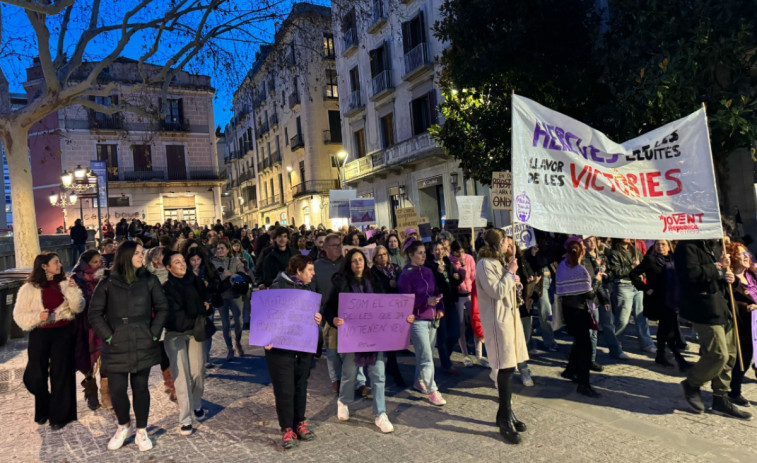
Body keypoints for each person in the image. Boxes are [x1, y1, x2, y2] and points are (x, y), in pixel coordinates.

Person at [88, 241, 170, 451]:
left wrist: (153, 334)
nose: (141, 256)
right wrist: (108, 336)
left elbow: (162, 307)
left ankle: (141, 430)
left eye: (142, 253)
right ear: (125, 256)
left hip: (143, 340)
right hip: (116, 343)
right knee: (117, 390)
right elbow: (94, 313)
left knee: (140, 388)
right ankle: (123, 425)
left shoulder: (149, 280)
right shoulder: (107, 282)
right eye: (137, 253)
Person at [326, 249, 415, 433]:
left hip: (374, 336)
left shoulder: (374, 281)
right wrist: (334, 319)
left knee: (378, 375)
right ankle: (343, 401)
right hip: (352, 336)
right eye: (354, 261)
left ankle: (380, 413)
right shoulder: (341, 283)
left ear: (365, 262)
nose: (358, 263)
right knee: (349, 373)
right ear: (349, 265)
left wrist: (403, 317)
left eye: (360, 260)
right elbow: (329, 308)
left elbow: (387, 305)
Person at [675, 239, 751, 419]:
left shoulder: (714, 247)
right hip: (704, 309)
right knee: (718, 354)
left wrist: (730, 279)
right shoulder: (687, 246)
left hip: (724, 307)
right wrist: (718, 267)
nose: (724, 238)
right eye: (722, 233)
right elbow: (690, 274)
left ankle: (720, 399)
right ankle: (691, 384)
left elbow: (721, 278)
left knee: (731, 355)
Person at [13, 252, 85, 430]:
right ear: (44, 266)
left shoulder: (64, 283)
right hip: (40, 333)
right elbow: (18, 315)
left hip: (62, 332)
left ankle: (61, 415)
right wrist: (39, 315)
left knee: (62, 373)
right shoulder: (29, 289)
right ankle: (44, 405)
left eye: (59, 262)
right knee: (35, 375)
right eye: (56, 262)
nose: (60, 265)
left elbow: (78, 307)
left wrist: (74, 290)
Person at [475, 229, 528, 444]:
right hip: (499, 322)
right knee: (505, 368)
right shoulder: (485, 264)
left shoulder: (499, 262)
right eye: (505, 241)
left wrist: (514, 278)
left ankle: (505, 413)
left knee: (511, 366)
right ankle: (505, 418)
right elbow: (496, 291)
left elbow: (508, 287)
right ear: (497, 243)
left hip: (510, 318)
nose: (508, 244)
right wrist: (509, 274)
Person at [263, 255, 320, 448]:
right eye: (310, 270)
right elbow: (266, 315)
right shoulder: (278, 287)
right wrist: (265, 337)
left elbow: (311, 314)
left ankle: (300, 422)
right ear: (299, 272)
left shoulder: (309, 287)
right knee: (284, 387)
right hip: (280, 347)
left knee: (300, 384)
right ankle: (287, 428)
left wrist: (317, 319)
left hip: (303, 345)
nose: (313, 274)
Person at [162, 251, 212, 436]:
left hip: (194, 332)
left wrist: (207, 305)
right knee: (181, 376)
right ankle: (185, 418)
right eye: (177, 262)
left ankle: (196, 401)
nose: (182, 264)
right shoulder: (166, 288)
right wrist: (200, 308)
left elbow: (208, 301)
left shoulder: (196, 282)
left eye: (183, 261)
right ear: (168, 267)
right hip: (175, 334)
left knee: (198, 371)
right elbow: (175, 315)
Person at [398, 239, 447, 406]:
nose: (423, 255)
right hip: (417, 320)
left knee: (425, 354)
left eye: (424, 252)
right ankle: (432, 389)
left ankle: (419, 380)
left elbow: (436, 291)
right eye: (420, 253)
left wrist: (439, 306)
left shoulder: (427, 271)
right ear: (410, 255)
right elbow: (405, 302)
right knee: (426, 356)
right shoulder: (405, 276)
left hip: (432, 318)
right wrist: (426, 302)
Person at [630, 240, 690, 371]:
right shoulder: (651, 260)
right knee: (667, 329)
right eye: (658, 244)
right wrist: (645, 288)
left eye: (663, 244)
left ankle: (662, 355)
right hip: (658, 299)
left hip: (673, 298)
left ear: (669, 246)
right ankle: (674, 357)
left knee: (666, 328)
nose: (660, 247)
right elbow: (633, 274)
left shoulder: (674, 259)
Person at [556, 236, 601, 398]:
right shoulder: (580, 270)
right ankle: (584, 384)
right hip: (580, 311)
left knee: (579, 342)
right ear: (581, 250)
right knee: (585, 348)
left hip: (569, 310)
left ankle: (569, 371)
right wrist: (597, 280)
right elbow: (589, 294)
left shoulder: (562, 266)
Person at [71, 249, 108, 410]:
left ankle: (106, 393)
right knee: (86, 358)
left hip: (104, 322)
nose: (99, 265)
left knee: (106, 358)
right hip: (84, 324)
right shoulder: (76, 278)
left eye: (100, 261)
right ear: (86, 263)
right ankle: (90, 387)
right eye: (95, 262)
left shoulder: (105, 277)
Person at [607, 238, 656, 354]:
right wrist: (633, 268)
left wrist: (641, 273)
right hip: (624, 285)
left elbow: (644, 266)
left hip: (637, 285)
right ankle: (616, 346)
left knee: (642, 316)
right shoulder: (614, 253)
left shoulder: (635, 250)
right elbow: (616, 271)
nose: (627, 237)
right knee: (622, 319)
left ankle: (647, 344)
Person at [583, 236, 627, 361]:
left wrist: (607, 275)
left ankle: (615, 350)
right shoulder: (584, 258)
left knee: (608, 322)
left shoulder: (603, 256)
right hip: (591, 292)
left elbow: (612, 271)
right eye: (588, 241)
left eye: (593, 241)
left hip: (604, 290)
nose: (591, 243)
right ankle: (590, 355)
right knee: (592, 326)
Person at [371, 245, 408, 386]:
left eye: (385, 254)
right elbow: (375, 288)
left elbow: (403, 283)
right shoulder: (373, 272)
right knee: (389, 342)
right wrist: (389, 284)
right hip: (383, 309)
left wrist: (396, 283)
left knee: (395, 340)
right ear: (375, 258)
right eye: (379, 255)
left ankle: (390, 368)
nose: (383, 257)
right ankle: (395, 372)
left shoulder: (396, 268)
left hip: (397, 308)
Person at [726, 242, 757, 406]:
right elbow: (730, 303)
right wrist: (747, 307)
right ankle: (734, 391)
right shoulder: (730, 278)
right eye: (741, 254)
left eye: (747, 253)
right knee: (744, 358)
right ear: (732, 257)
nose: (746, 256)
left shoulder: (753, 273)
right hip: (746, 324)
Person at [425, 240, 461, 375]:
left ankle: (446, 356)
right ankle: (446, 364)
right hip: (439, 304)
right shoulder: (430, 266)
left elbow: (451, 281)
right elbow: (432, 283)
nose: (439, 252)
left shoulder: (448, 263)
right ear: (432, 252)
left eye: (441, 249)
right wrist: (438, 272)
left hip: (451, 302)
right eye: (436, 249)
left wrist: (458, 277)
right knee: (443, 335)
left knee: (455, 333)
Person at [449, 241, 486, 367]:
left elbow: (473, 275)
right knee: (461, 325)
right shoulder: (450, 261)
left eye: (462, 251)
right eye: (457, 252)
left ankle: (479, 354)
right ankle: (465, 354)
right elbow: (458, 278)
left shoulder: (469, 258)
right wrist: (460, 268)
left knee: (476, 321)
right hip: (459, 296)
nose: (460, 254)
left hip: (470, 293)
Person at [187, 247, 222, 368]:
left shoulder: (208, 269)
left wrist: (208, 285)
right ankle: (196, 357)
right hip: (191, 305)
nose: (196, 262)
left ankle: (206, 356)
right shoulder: (185, 270)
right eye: (193, 259)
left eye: (198, 259)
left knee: (206, 329)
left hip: (206, 304)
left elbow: (216, 283)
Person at [211, 240, 247, 360]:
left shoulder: (235, 260)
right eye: (218, 248)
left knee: (239, 321)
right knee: (225, 323)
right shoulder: (213, 262)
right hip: (221, 296)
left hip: (236, 295)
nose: (220, 250)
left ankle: (237, 341)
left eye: (222, 248)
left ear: (228, 249)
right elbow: (212, 278)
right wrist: (223, 275)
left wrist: (232, 274)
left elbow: (243, 275)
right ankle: (229, 348)